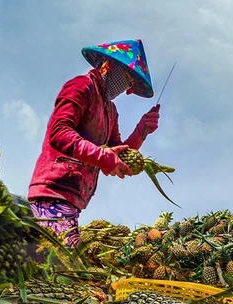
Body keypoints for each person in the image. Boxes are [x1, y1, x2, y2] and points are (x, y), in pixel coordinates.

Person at [28, 39, 160, 247]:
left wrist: (141, 130)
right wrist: (101, 156)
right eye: (126, 78)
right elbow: (59, 132)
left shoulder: (111, 111)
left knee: (62, 262)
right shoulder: (81, 87)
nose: (126, 89)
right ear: (109, 66)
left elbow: (118, 154)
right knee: (65, 262)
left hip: (74, 199)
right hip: (53, 191)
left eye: (130, 84)